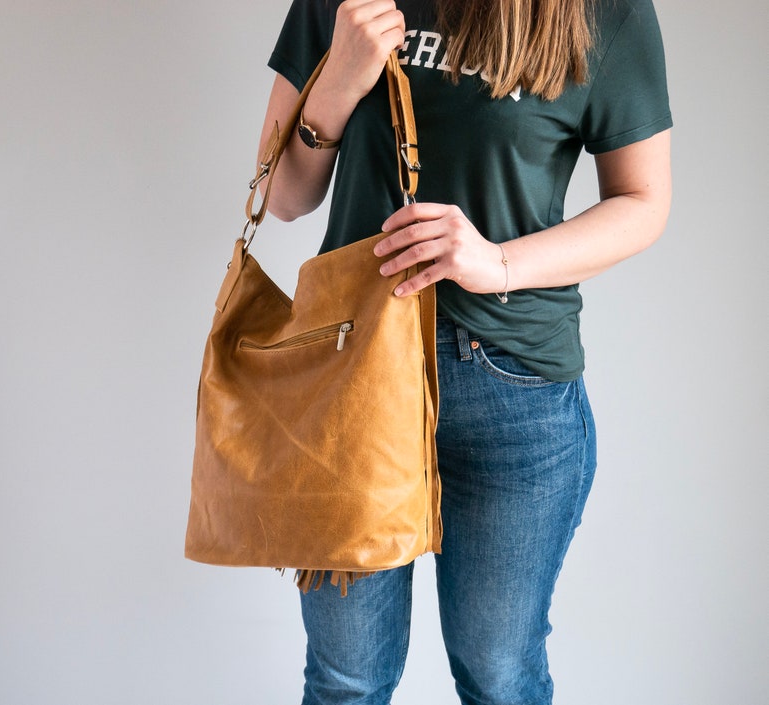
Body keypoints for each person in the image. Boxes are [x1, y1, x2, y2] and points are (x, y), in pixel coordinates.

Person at [256, 0, 672, 702]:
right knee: (345, 678)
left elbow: (642, 201)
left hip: (515, 395)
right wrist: (336, 85)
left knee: (498, 675)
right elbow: (285, 192)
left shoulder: (606, 12)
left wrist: (498, 263)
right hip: (350, 382)